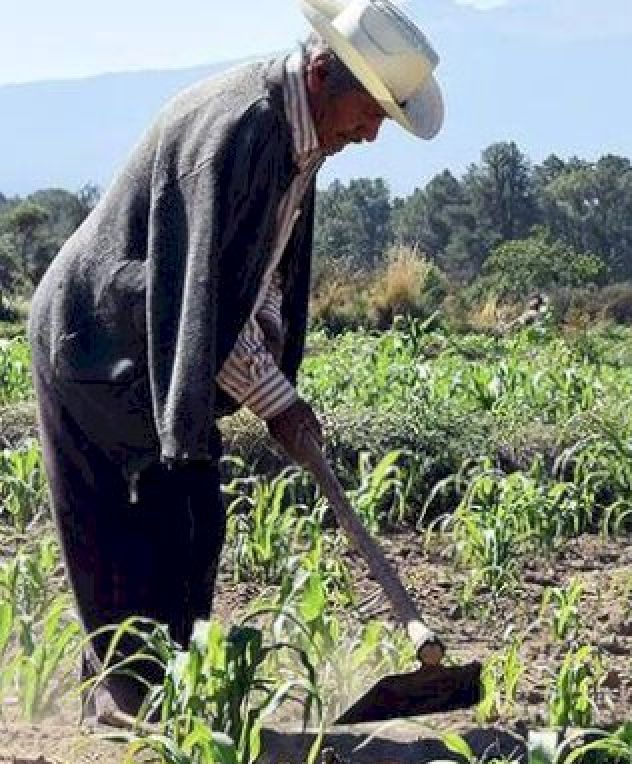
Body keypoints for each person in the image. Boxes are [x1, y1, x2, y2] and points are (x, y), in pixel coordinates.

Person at [27, 0, 445, 724]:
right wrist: (277, 401)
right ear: (322, 72)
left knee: (190, 518)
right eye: (372, 110)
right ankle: (130, 708)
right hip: (97, 341)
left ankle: (153, 698)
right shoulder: (237, 134)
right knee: (139, 523)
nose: (373, 133)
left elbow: (259, 278)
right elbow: (199, 298)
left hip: (149, 341)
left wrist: (278, 378)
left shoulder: (300, 137)